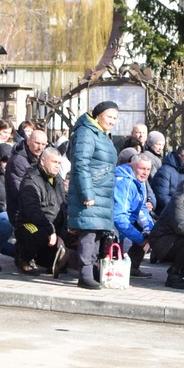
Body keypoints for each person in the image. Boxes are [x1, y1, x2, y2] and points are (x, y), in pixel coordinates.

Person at [66, 101, 121, 289]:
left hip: (102, 193)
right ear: (98, 115)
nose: (112, 121)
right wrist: (87, 193)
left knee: (97, 234)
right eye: (109, 116)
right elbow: (81, 163)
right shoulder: (86, 132)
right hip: (92, 192)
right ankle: (85, 275)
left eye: (115, 118)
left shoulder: (102, 134)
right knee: (88, 234)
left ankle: (92, 271)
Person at [12, 147, 68, 274]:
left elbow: (63, 206)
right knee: (37, 233)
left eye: (59, 163)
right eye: (54, 162)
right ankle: (24, 259)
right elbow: (33, 211)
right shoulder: (31, 180)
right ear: (43, 161)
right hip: (30, 224)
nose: (57, 166)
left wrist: (62, 233)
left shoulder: (58, 179)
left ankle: (45, 259)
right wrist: (51, 230)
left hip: (53, 227)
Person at [112, 150, 157, 278]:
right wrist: (138, 238)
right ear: (132, 166)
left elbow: (140, 206)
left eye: (148, 169)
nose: (145, 172)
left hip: (126, 222)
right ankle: (68, 257)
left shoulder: (139, 181)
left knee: (149, 234)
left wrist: (149, 228)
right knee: (104, 260)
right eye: (142, 168)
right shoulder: (124, 182)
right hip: (113, 225)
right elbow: (119, 216)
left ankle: (131, 268)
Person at [153, 143, 184, 219]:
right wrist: (182, 208)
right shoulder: (165, 171)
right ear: (179, 156)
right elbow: (162, 197)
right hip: (166, 215)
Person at [5, 126, 46, 200]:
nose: (40, 147)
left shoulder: (40, 158)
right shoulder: (17, 161)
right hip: (22, 208)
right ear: (28, 141)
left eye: (43, 144)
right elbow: (20, 191)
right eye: (37, 143)